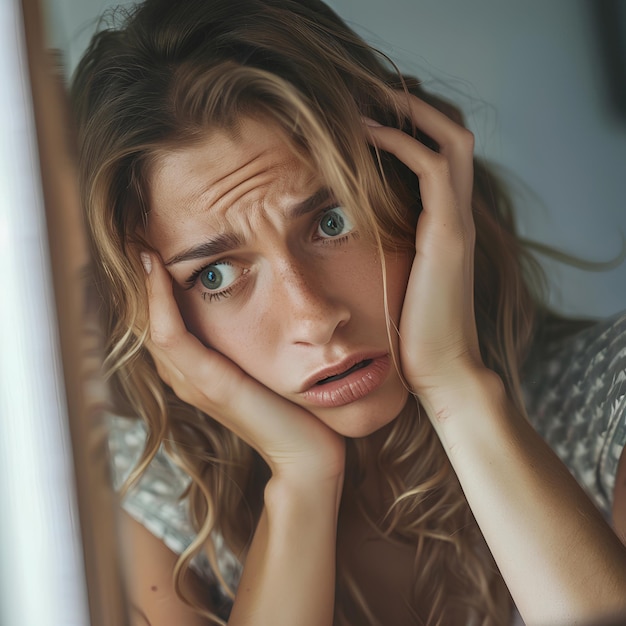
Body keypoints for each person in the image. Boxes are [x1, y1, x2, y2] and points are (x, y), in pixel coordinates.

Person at [70, 0, 626, 624]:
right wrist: (301, 481)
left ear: (417, 190)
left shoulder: (613, 404)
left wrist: (456, 386)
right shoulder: (147, 495)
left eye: (333, 222)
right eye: (216, 275)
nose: (313, 319)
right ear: (155, 313)